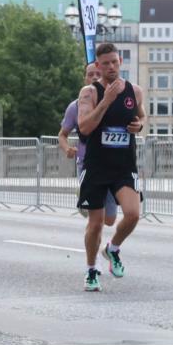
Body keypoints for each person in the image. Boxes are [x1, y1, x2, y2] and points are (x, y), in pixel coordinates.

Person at [76, 43, 145, 291]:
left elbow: (141, 116)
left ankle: (113, 248)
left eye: (115, 62)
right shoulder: (89, 92)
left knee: (133, 213)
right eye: (106, 63)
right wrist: (106, 101)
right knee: (95, 224)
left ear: (121, 62)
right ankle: (91, 270)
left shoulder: (134, 91)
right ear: (98, 65)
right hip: (96, 166)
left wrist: (140, 125)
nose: (111, 67)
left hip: (124, 165)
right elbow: (84, 127)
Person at [59, 62, 118, 226]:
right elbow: (62, 135)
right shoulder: (75, 106)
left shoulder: (115, 102)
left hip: (112, 164)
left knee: (110, 220)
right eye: (90, 74)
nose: (94, 77)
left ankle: (85, 196)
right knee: (96, 217)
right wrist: (67, 149)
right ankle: (84, 193)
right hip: (87, 163)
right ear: (85, 78)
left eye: (97, 74)